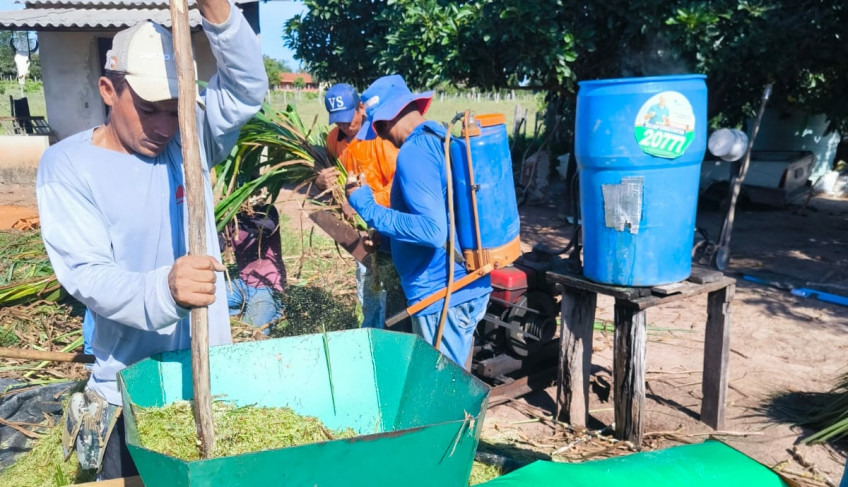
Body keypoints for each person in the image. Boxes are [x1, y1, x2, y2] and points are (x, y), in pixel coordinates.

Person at [35, 0, 266, 479]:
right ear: (107, 90)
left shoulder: (190, 137)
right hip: (131, 394)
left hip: (207, 381)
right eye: (148, 110)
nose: (164, 127)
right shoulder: (69, 168)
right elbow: (88, 275)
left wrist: (218, 13)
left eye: (174, 109)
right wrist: (165, 290)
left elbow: (246, 89)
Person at [346, 74, 491, 368]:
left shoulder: (414, 153)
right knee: (452, 388)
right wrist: (386, 239)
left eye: (378, 127)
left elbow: (432, 232)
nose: (381, 135)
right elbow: (443, 215)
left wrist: (365, 204)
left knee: (442, 396)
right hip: (459, 287)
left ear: (385, 120)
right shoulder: (437, 136)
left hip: (441, 295)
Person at [316, 83, 407, 329]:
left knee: (396, 289)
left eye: (348, 119)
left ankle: (396, 332)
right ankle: (371, 332)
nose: (345, 126)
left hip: (391, 223)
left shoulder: (380, 137)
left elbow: (401, 186)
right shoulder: (334, 139)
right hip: (362, 230)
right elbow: (328, 171)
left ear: (361, 107)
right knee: (368, 286)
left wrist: (363, 202)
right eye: (338, 121)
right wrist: (319, 178)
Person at [223, 202, 286, 333]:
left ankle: (275, 310)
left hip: (267, 288)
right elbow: (219, 244)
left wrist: (235, 221)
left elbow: (267, 227)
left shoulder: (267, 211)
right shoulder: (232, 216)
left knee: (249, 332)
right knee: (199, 300)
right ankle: (242, 308)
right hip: (242, 284)